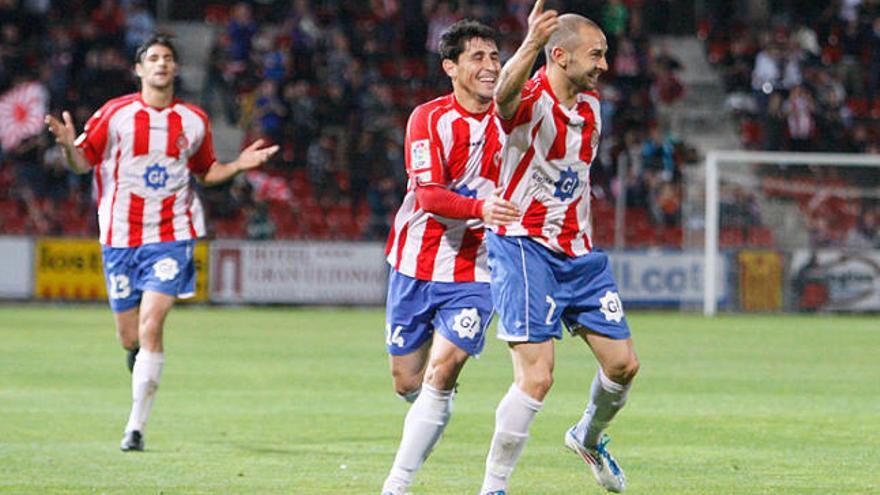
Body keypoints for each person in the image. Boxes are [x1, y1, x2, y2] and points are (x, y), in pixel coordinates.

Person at [45, 34, 279, 452]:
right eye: (153, 58)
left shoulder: (193, 120)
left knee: (153, 323)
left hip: (172, 233)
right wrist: (67, 147)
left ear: (174, 69)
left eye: (168, 58)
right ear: (139, 69)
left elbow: (206, 173)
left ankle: (135, 427)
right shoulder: (114, 114)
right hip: (119, 236)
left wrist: (238, 166)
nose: (161, 64)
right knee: (129, 336)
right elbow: (83, 164)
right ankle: (138, 365)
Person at [478, 3, 639, 494]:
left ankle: (587, 437)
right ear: (560, 55)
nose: (605, 65)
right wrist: (528, 44)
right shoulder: (527, 97)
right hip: (524, 248)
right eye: (596, 55)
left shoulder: (591, 109)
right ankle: (493, 487)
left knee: (623, 365)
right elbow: (499, 102)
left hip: (579, 254)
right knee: (537, 378)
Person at [380, 19, 520, 495]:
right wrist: (482, 206)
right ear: (450, 67)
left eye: (495, 57)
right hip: (414, 263)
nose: (490, 66)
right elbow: (430, 197)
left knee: (443, 370)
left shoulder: (514, 118)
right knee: (407, 382)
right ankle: (433, 407)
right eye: (478, 58)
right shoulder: (428, 118)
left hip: (476, 269)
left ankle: (396, 484)